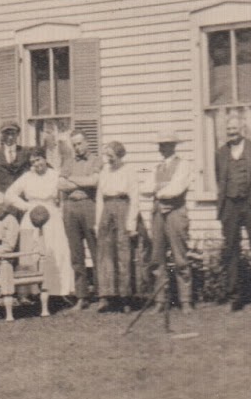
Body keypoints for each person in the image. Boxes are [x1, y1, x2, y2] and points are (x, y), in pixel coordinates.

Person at [214, 114, 251, 311]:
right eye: (229, 129)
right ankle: (234, 297)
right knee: (231, 250)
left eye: (235, 129)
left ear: (243, 129)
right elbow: (219, 178)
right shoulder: (221, 152)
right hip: (230, 206)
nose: (232, 133)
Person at [4, 153, 74, 298]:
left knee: (54, 251)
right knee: (30, 253)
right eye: (33, 161)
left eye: (38, 159)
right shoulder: (27, 177)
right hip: (31, 216)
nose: (36, 164)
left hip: (52, 217)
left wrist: (59, 211)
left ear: (45, 159)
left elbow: (64, 196)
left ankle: (57, 292)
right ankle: (30, 293)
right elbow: (9, 194)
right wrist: (26, 206)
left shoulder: (55, 175)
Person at [146, 130, 195, 312]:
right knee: (157, 258)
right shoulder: (155, 168)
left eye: (166, 144)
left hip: (176, 213)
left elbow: (177, 188)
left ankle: (185, 300)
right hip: (158, 213)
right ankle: (160, 300)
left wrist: (157, 189)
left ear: (174, 146)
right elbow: (145, 187)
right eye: (160, 145)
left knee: (180, 257)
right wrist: (159, 187)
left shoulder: (184, 165)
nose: (162, 148)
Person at [93, 141, 139, 312]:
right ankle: (106, 296)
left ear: (120, 155)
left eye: (111, 156)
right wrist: (98, 223)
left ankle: (125, 298)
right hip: (107, 209)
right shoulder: (105, 171)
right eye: (107, 156)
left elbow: (134, 197)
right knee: (105, 252)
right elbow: (99, 198)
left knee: (123, 252)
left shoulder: (129, 171)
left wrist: (131, 223)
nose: (109, 159)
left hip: (123, 208)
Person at [58, 130, 101, 308]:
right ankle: (82, 296)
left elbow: (94, 182)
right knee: (76, 253)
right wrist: (81, 181)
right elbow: (60, 184)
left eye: (79, 143)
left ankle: (101, 294)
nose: (77, 147)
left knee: (96, 250)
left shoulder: (96, 160)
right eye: (74, 144)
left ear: (87, 142)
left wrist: (72, 180)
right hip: (70, 207)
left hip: (88, 205)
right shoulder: (68, 161)